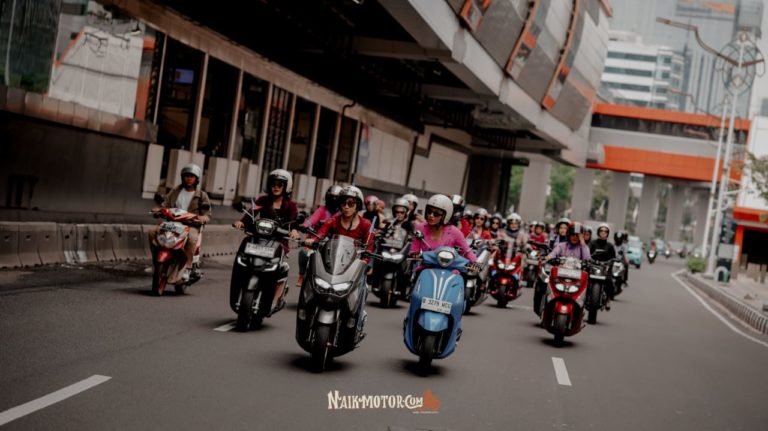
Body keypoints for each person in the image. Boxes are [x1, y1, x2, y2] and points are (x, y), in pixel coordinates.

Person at [233, 169, 299, 312]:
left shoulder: (291, 205)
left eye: (280, 184)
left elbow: (294, 222)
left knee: (280, 269)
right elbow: (251, 213)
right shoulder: (262, 200)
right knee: (243, 258)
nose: (276, 187)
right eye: (273, 184)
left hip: (279, 241)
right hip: (258, 238)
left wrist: (294, 231)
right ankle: (239, 285)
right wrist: (242, 222)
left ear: (286, 187)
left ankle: (275, 298)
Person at [149, 163, 211, 282]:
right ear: (182, 177)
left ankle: (187, 267)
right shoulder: (175, 191)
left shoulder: (202, 195)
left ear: (196, 179)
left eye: (192, 176)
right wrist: (159, 210)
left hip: (190, 225)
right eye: (186, 176)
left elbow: (208, 214)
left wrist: (203, 218)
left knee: (192, 239)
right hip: (172, 223)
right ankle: (155, 260)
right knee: (152, 232)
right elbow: (165, 204)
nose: (189, 178)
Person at [291, 184, 342, 287]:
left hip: (334, 244)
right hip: (315, 240)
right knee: (303, 253)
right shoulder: (322, 210)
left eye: (336, 199)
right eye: (332, 198)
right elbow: (312, 220)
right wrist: (304, 225)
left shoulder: (342, 214)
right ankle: (301, 275)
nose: (333, 201)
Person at [305, 186, 374, 255]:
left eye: (350, 203)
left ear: (358, 205)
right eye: (343, 203)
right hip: (333, 257)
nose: (346, 207)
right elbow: (321, 233)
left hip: (355, 260)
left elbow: (368, 249)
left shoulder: (366, 225)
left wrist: (364, 259)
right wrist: (313, 240)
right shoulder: (333, 221)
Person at [410, 194, 477, 264]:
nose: (431, 215)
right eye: (429, 211)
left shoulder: (455, 232)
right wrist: (415, 255)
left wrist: (476, 264)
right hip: (425, 267)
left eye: (436, 213)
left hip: (449, 269)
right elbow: (414, 250)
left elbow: (467, 252)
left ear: (446, 215)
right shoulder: (420, 227)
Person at [590, 223, 617, 307]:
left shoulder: (610, 246)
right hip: (592, 267)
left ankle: (608, 299)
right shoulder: (592, 243)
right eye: (601, 231)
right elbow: (587, 254)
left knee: (610, 282)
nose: (603, 233)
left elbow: (613, 258)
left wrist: (609, 265)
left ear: (608, 233)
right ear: (598, 232)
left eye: (605, 231)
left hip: (605, 268)